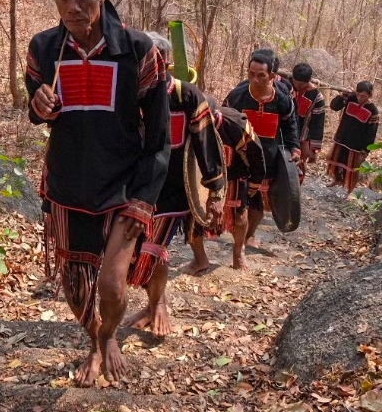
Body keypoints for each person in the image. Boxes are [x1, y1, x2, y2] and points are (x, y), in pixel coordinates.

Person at [25, 0, 171, 386]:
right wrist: (38, 107)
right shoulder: (44, 48)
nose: (73, 7)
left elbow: (160, 137)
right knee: (76, 284)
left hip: (124, 187)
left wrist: (145, 199)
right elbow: (36, 104)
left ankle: (109, 335)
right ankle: (92, 340)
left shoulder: (138, 50)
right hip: (68, 185)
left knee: (110, 285)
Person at [125, 34, 226, 337]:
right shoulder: (127, 93)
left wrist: (215, 191)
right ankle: (154, 302)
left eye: (152, 58)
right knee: (133, 253)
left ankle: (158, 306)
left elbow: (206, 144)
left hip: (172, 192)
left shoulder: (188, 96)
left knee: (154, 252)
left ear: (165, 61)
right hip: (132, 188)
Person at [224, 49, 298, 250]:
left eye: (261, 75)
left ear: (272, 76)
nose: (254, 79)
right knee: (238, 201)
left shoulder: (282, 100)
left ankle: (249, 235)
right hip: (240, 158)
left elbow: (290, 124)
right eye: (251, 74)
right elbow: (223, 123)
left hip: (268, 159)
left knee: (257, 206)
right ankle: (235, 235)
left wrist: (294, 148)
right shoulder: (237, 96)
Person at [214, 106, 268, 269]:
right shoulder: (191, 122)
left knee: (239, 215)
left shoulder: (236, 125)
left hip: (235, 173)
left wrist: (255, 181)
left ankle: (238, 252)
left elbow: (256, 153)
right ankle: (199, 258)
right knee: (194, 218)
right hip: (200, 175)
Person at [327, 80, 379, 195]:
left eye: (363, 96)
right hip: (342, 137)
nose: (360, 98)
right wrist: (342, 96)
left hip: (356, 145)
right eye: (358, 95)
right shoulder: (350, 99)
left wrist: (365, 151)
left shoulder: (373, 111)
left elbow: (371, 133)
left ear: (370, 95)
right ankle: (337, 179)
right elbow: (334, 106)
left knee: (353, 168)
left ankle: (350, 191)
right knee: (335, 159)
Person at [290, 63, 327, 181]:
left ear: (308, 81)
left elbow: (318, 124)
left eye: (300, 84)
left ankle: (296, 188)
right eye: (295, 82)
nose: (297, 86)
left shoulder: (316, 97)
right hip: (285, 130)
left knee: (299, 163)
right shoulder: (287, 85)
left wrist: (313, 148)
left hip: (302, 135)